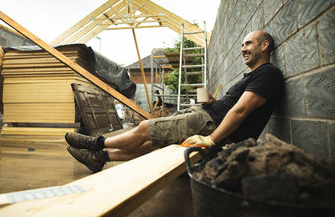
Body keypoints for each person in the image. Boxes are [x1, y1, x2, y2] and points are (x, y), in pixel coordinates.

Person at [65, 30, 284, 173]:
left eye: (248, 44)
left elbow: (241, 110)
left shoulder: (268, 74)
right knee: (152, 142)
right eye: (243, 44)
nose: (243, 49)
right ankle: (101, 157)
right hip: (208, 116)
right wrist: (213, 100)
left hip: (209, 124)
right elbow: (235, 106)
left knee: (144, 128)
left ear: (265, 45)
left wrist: (211, 139)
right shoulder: (256, 75)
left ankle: (96, 143)